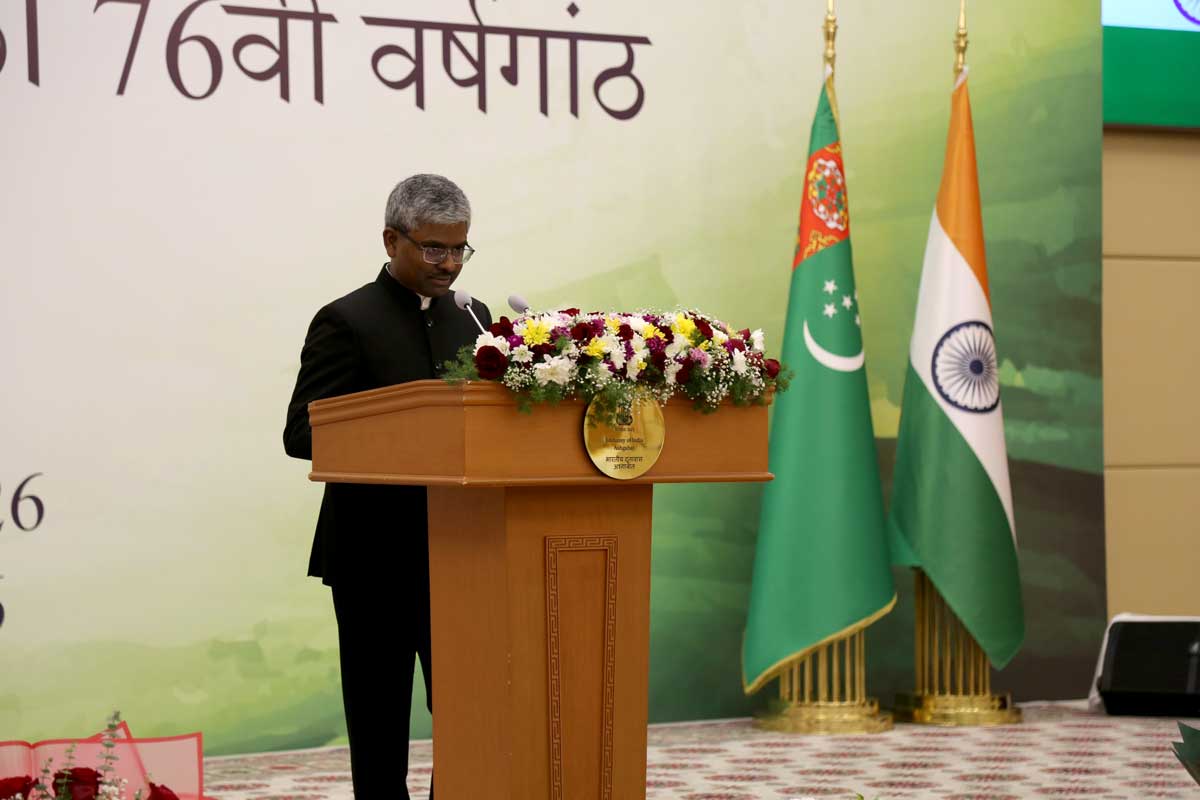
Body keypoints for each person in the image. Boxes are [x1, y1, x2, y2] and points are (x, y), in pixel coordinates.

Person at [283, 174, 491, 799]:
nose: (449, 264)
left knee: (469, 713)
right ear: (391, 240)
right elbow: (302, 433)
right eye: (434, 249)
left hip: (462, 549)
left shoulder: (474, 317)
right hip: (373, 554)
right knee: (379, 723)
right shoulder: (345, 320)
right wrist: (405, 433)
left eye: (459, 249)